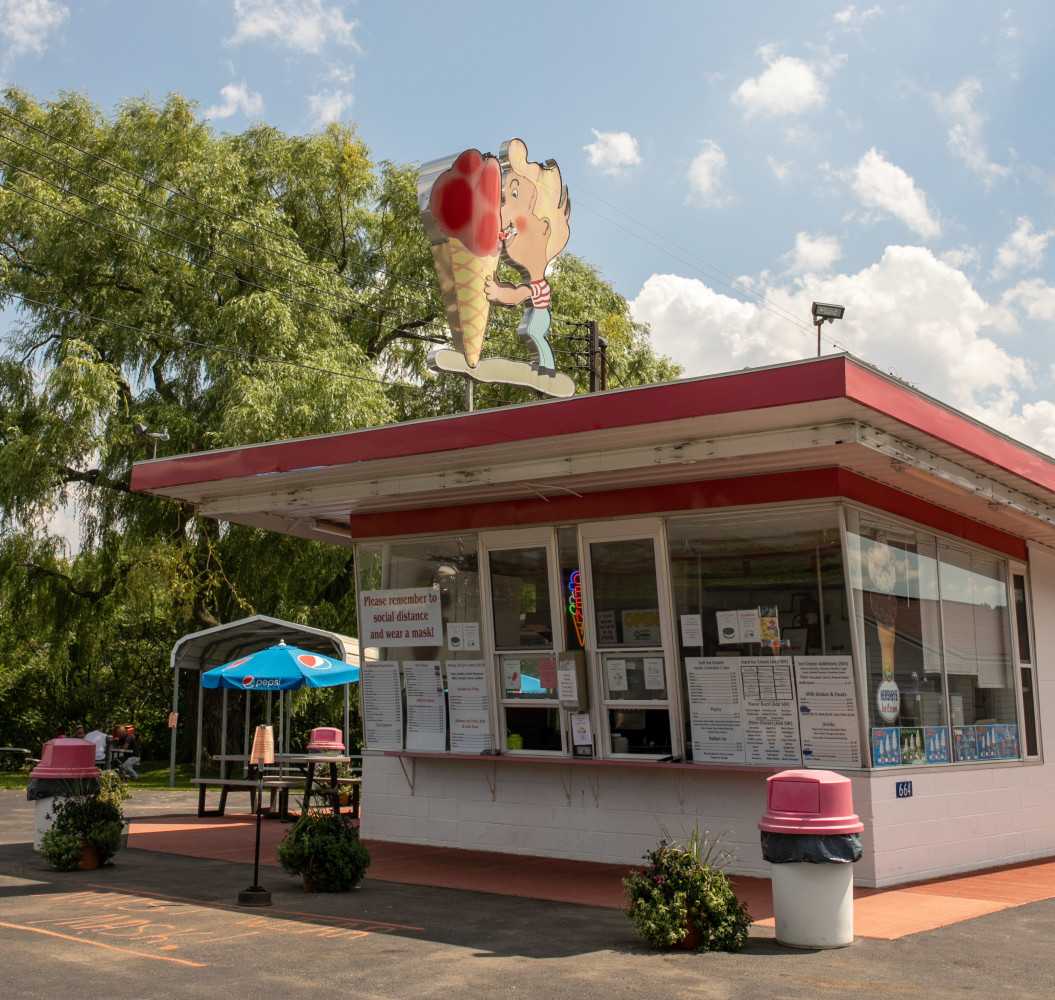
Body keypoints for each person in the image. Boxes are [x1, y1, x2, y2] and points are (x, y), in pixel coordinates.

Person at [485, 138, 571, 375]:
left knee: (533, 333)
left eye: (514, 195)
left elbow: (516, 297)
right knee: (533, 334)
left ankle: (547, 368)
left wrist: (497, 292)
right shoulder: (537, 283)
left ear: (544, 228)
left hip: (540, 317)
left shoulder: (535, 285)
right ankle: (546, 366)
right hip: (539, 316)